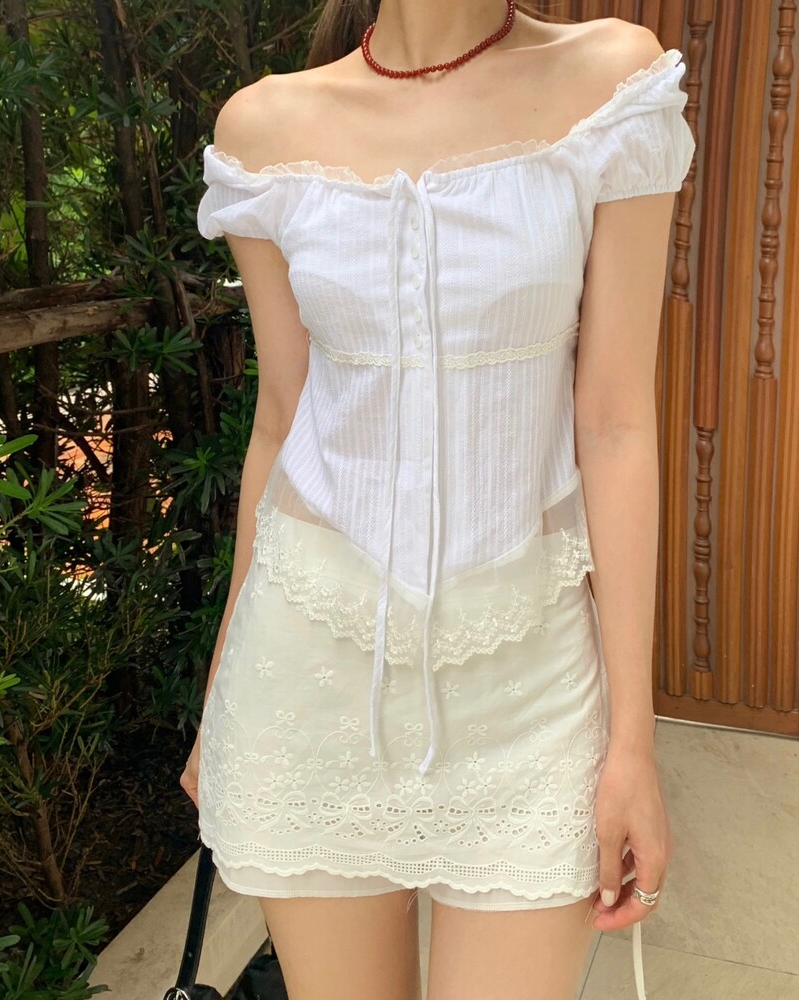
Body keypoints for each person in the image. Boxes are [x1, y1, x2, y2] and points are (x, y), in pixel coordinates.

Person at [182, 2, 695, 998]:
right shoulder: (265, 127)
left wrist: (632, 740)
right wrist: (221, 691)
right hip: (309, 672)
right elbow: (281, 420)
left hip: (530, 684)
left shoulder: (609, 85)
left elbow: (616, 422)